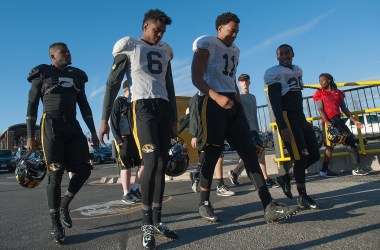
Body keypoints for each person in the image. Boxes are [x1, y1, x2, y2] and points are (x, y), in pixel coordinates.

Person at [191, 12, 300, 224]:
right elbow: (196, 77)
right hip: (211, 102)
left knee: (249, 152)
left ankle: (268, 205)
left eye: (237, 32)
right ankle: (204, 202)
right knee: (212, 153)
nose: (234, 35)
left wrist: (238, 104)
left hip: (232, 103)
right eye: (231, 31)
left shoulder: (236, 50)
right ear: (220, 28)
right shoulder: (207, 43)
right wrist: (217, 98)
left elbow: (230, 79)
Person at [98, 9, 178, 249]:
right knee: (151, 162)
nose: (160, 35)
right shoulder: (130, 46)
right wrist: (103, 121)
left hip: (163, 107)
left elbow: (170, 85)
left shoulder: (164, 50)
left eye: (163, 31)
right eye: (157, 30)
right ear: (145, 26)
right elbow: (112, 85)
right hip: (141, 107)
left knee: (162, 164)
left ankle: (157, 221)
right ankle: (146, 226)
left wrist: (174, 118)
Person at [25, 42, 100, 244]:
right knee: (55, 174)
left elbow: (84, 106)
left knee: (84, 170)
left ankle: (65, 203)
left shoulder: (77, 75)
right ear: (52, 56)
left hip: (73, 125)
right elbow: (32, 105)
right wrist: (31, 136)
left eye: (68, 51)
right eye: (63, 52)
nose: (68, 54)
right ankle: (55, 224)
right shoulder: (42, 73)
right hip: (51, 125)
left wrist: (93, 132)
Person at [264, 44, 321, 209]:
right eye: (280, 54)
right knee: (300, 157)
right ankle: (302, 196)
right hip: (288, 118)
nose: (284, 56)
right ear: (277, 57)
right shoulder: (274, 74)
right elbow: (275, 103)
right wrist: (282, 126)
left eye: (287, 53)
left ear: (293, 54)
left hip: (300, 117)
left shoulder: (297, 70)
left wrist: (303, 119)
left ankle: (286, 178)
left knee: (315, 154)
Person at [313, 73, 369, 176]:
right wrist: (327, 121)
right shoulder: (319, 93)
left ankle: (356, 169)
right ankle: (324, 171)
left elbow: (344, 109)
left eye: (322, 80)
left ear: (329, 80)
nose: (320, 83)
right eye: (319, 81)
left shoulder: (339, 93)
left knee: (351, 142)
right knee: (329, 146)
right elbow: (320, 109)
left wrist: (354, 120)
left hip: (339, 121)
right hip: (328, 122)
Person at [227, 73, 277, 188]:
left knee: (259, 152)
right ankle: (264, 178)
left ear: (249, 82)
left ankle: (235, 172)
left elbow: (254, 114)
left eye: (246, 80)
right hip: (246, 128)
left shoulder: (253, 97)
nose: (244, 83)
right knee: (254, 153)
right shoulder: (238, 96)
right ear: (239, 83)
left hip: (254, 128)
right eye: (242, 81)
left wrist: (257, 128)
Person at [188, 95, 235, 196]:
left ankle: (196, 175)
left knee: (212, 157)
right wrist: (194, 135)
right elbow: (193, 116)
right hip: (203, 133)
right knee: (218, 156)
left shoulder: (216, 94)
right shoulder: (197, 97)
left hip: (215, 130)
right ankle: (219, 185)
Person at [110, 81, 144, 204]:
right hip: (124, 138)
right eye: (131, 88)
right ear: (125, 89)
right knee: (126, 165)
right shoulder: (119, 102)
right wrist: (118, 139)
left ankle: (135, 188)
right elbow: (113, 121)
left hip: (137, 138)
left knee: (144, 162)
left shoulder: (136, 102)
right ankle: (126, 193)